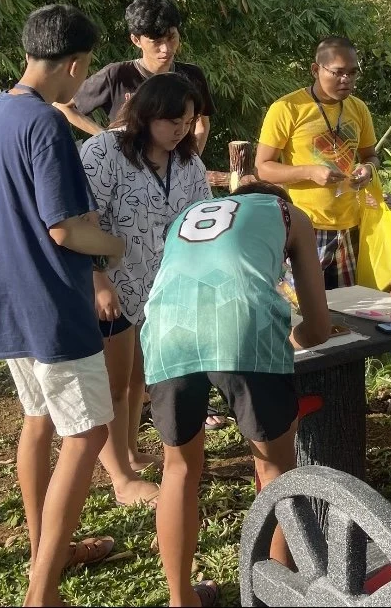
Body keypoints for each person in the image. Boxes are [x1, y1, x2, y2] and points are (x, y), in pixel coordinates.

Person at [0, 5, 127, 607]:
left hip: (5, 296)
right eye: (82, 72)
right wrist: (118, 245)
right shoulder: (45, 124)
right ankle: (42, 592)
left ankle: (47, 548)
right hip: (51, 302)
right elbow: (65, 228)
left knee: (39, 422)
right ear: (72, 63)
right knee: (87, 433)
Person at [142, 180, 332, 608]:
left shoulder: (190, 216)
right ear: (278, 199)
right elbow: (318, 328)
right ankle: (277, 592)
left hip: (164, 331)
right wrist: (289, 341)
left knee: (179, 470)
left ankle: (180, 599)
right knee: (277, 471)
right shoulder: (289, 214)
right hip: (242, 324)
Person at [79, 71, 211, 497]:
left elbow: (200, 221)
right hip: (112, 287)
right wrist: (98, 279)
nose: (180, 130)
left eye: (187, 122)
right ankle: (121, 479)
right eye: (172, 121)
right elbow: (83, 218)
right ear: (146, 114)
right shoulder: (105, 151)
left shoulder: (189, 163)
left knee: (139, 380)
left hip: (161, 290)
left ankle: (131, 451)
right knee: (113, 385)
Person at [256, 36, 378, 290]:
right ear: (315, 70)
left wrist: (368, 169)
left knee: (347, 310)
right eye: (338, 73)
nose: (347, 80)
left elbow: (370, 155)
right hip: (305, 226)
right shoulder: (287, 108)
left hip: (350, 227)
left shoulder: (359, 109)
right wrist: (309, 172)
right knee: (299, 307)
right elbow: (263, 168)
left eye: (353, 73)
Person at [55, 0, 215, 153]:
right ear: (136, 40)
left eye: (171, 37)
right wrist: (105, 136)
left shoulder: (192, 75)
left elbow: (202, 124)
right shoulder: (117, 74)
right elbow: (64, 106)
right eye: (156, 42)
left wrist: (190, 162)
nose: (166, 49)